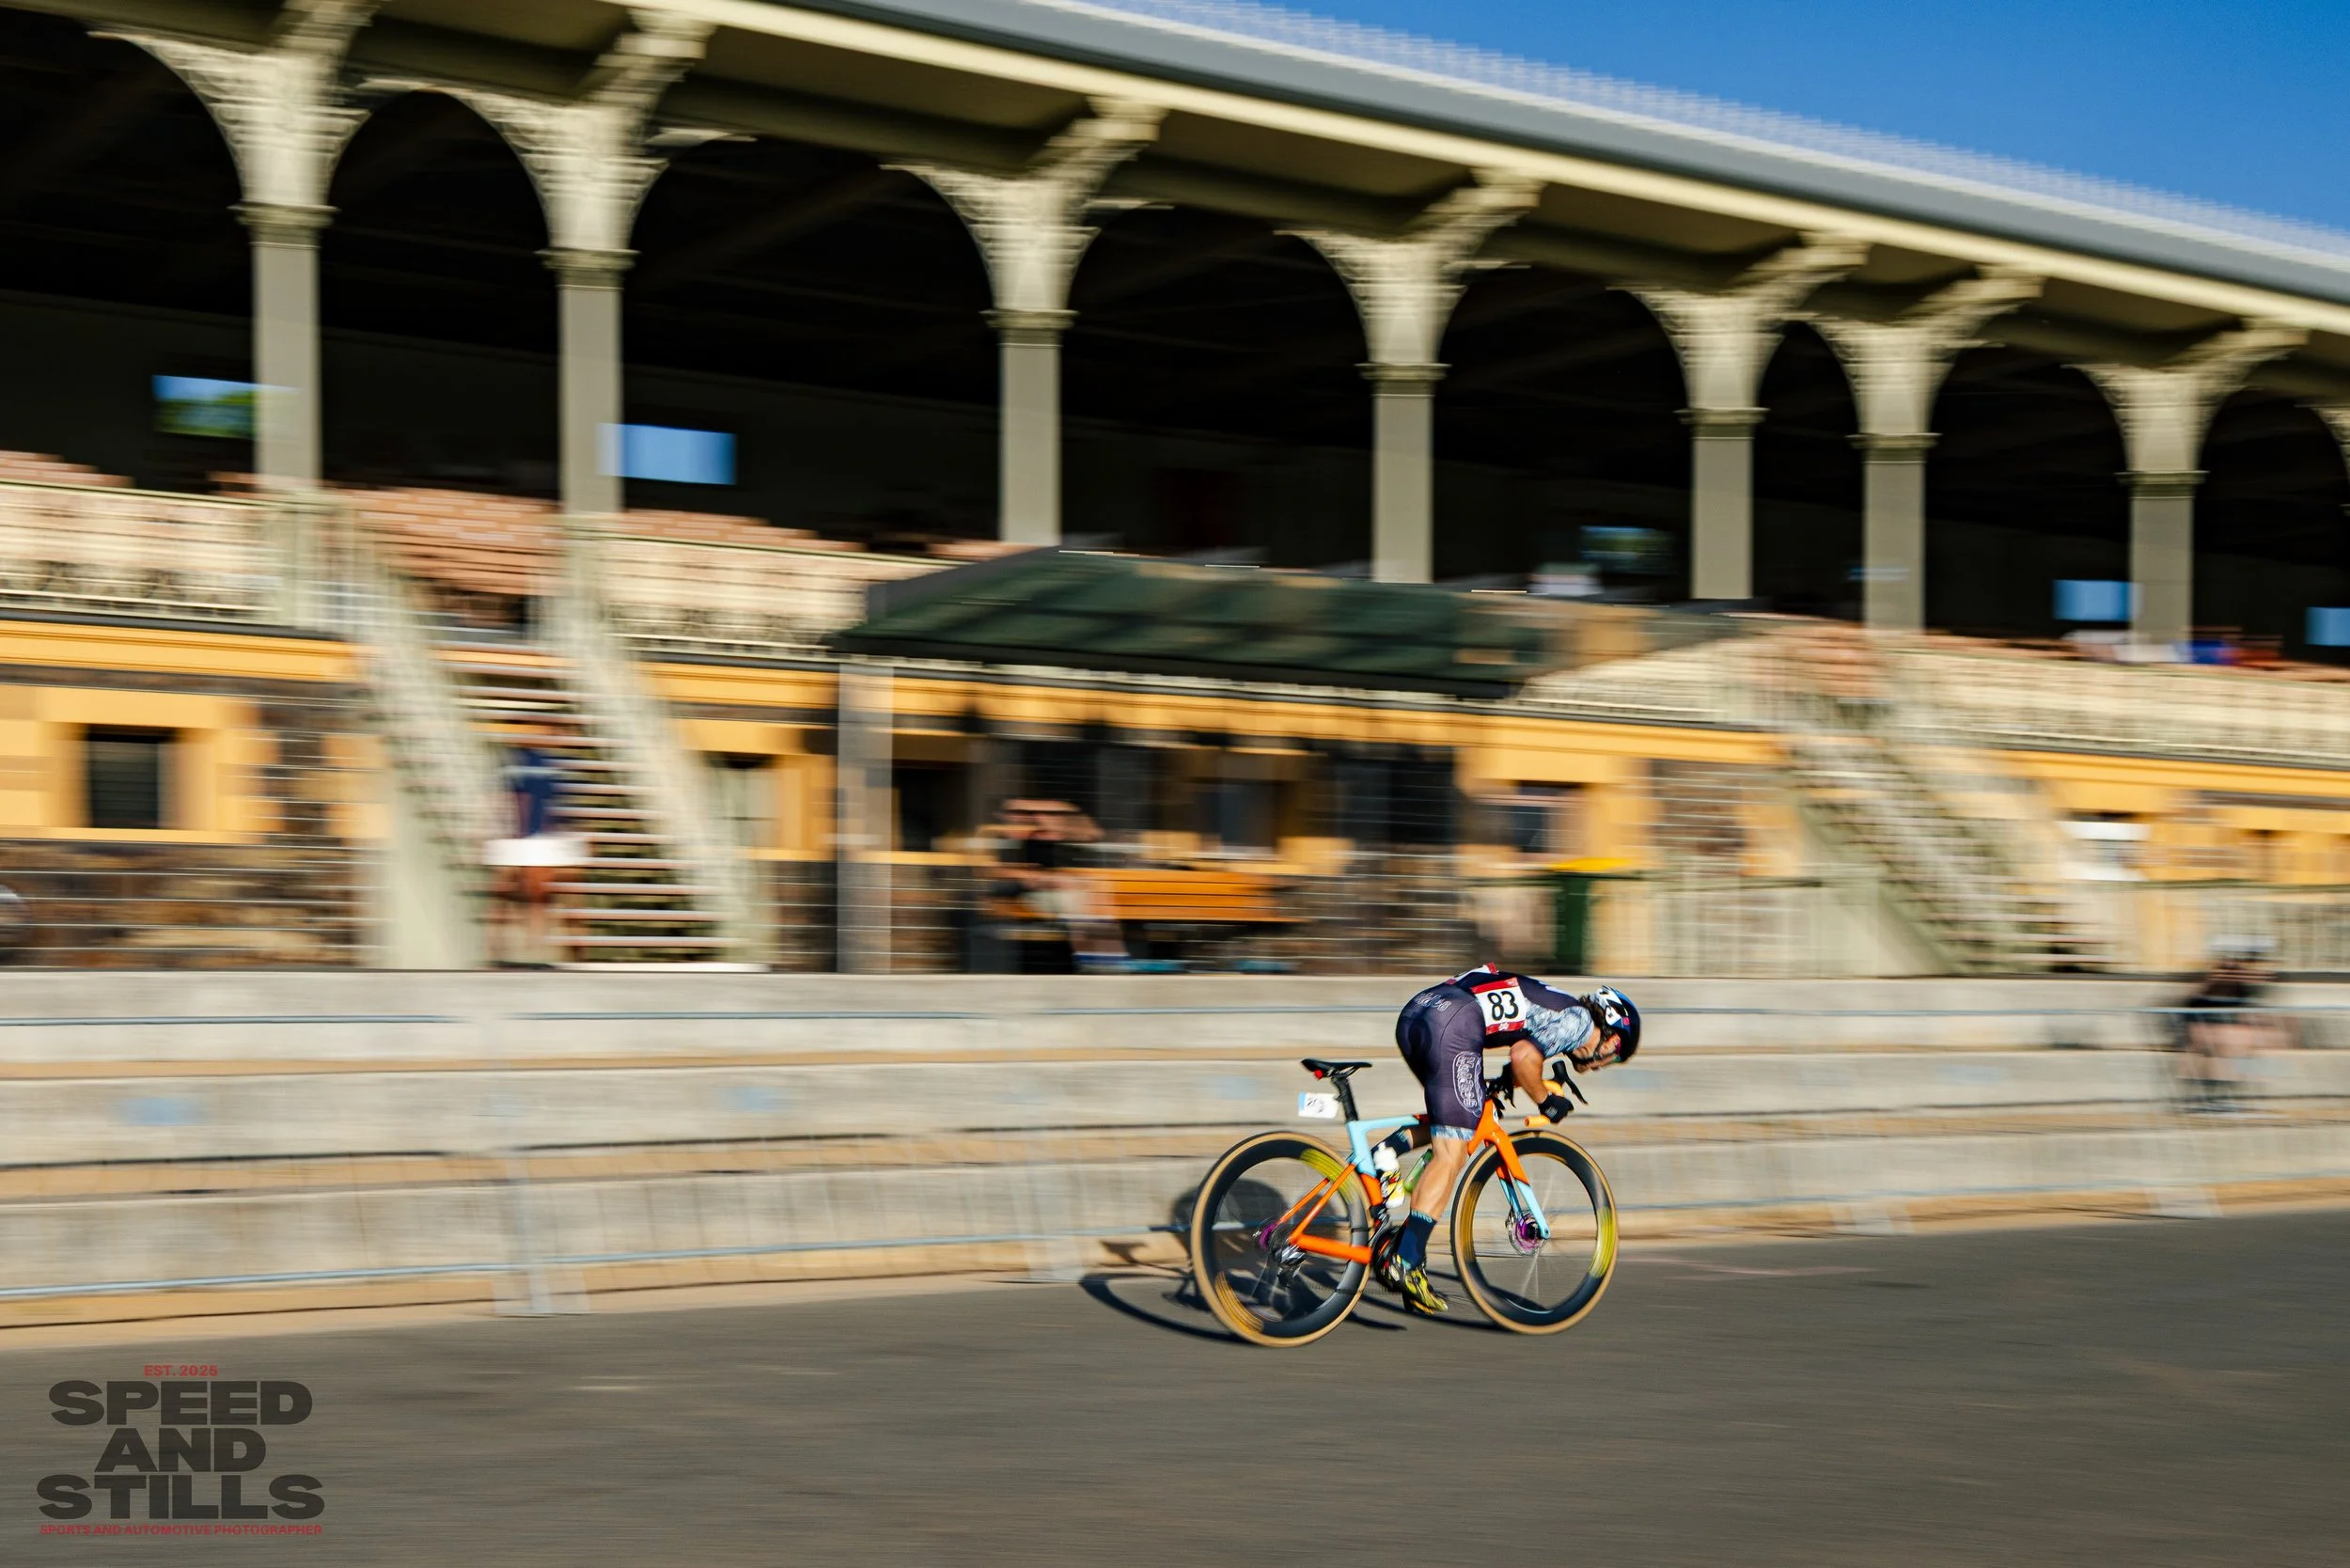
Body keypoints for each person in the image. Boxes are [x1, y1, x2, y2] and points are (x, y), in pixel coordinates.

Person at [1380, 964, 1640, 1314]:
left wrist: (1508, 1082)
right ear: (1611, 1041)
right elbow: (1523, 1057)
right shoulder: (1579, 1023)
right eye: (1613, 1059)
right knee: (1452, 1150)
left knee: (1456, 1122)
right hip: (1455, 1022)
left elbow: (1518, 1045)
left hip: (1419, 1011)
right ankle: (1405, 1259)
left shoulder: (1559, 1005)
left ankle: (1384, 1156)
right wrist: (1546, 1100)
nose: (1600, 1065)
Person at [485, 721, 581, 968]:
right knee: (510, 893)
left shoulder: (549, 764)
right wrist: (510, 832)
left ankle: (533, 949)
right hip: (523, 835)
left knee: (535, 895)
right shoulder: (519, 761)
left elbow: (558, 806)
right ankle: (504, 949)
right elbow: (507, 798)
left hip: (536, 836)